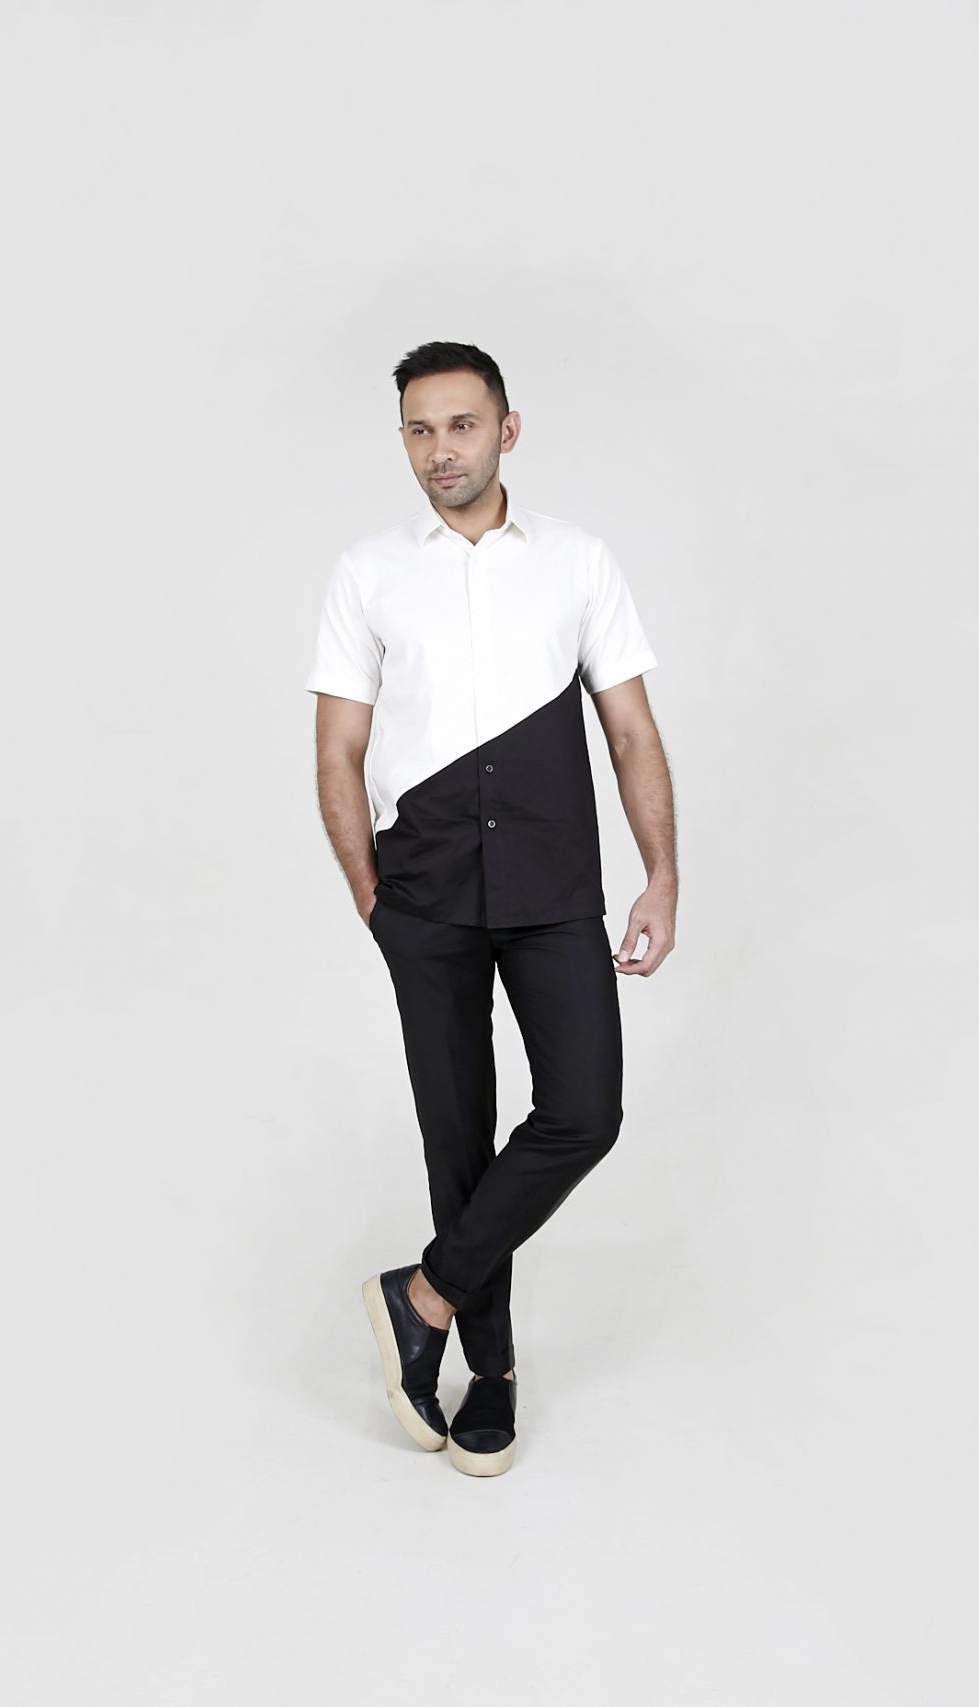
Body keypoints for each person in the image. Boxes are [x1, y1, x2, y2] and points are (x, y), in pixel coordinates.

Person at [304, 341, 679, 1476]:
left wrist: (661, 874)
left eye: (461, 425)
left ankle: (420, 1297)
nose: (441, 451)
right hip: (424, 897)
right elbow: (337, 748)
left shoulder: (577, 562)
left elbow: (630, 731)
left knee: (585, 1111)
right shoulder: (368, 572)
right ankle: (492, 1373)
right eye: (419, 430)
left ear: (506, 430)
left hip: (553, 886)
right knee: (457, 1139)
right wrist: (368, 892)